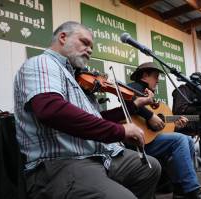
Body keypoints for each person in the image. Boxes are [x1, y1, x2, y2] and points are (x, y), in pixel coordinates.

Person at [13, 21, 161, 199]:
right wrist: (120, 131)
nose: (90, 50)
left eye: (91, 46)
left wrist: (135, 105)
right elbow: (50, 109)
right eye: (84, 42)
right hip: (61, 162)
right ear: (63, 37)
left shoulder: (76, 78)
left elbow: (98, 118)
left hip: (98, 155)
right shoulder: (42, 63)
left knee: (149, 167)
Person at [127, 62, 201, 199]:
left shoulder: (149, 93)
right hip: (138, 142)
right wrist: (150, 116)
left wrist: (176, 125)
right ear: (145, 76)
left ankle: (181, 188)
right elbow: (129, 101)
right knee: (180, 139)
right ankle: (192, 190)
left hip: (150, 140)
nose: (158, 80)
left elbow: (158, 126)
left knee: (187, 139)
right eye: (155, 76)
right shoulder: (134, 87)